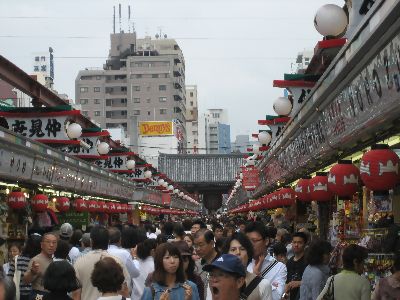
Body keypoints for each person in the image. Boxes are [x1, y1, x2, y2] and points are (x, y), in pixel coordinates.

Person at [73, 225, 131, 300]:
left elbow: (76, 293)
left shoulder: (79, 262)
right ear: (108, 241)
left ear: (91, 241)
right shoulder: (116, 261)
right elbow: (124, 289)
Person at [223, 232, 273, 300]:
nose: (238, 252)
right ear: (226, 255)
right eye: (233, 249)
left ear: (248, 253)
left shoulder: (263, 284)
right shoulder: (217, 282)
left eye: (242, 249)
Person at [245, 222, 287, 300]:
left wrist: (258, 279)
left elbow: (277, 297)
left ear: (266, 241)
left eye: (254, 241)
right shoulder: (243, 264)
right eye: (248, 241)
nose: (250, 245)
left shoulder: (279, 267)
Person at [23, 232, 58, 299]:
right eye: (48, 242)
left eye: (54, 242)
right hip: (39, 295)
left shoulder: (53, 260)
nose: (51, 245)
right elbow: (25, 281)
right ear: (42, 245)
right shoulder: (36, 260)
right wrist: (32, 272)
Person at [7, 233, 42, 300]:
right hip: (36, 295)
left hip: (19, 295)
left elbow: (9, 279)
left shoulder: (16, 259)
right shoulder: (39, 261)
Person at [194, 229, 219, 299]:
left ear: (211, 243)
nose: (197, 249)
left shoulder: (222, 263)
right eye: (195, 246)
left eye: (201, 245)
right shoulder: (195, 266)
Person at [284, 232, 308, 300]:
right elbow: (287, 282)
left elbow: (315, 281)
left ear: (305, 244)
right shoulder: (289, 262)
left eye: (299, 242)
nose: (296, 245)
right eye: (294, 242)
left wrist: (300, 283)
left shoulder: (308, 261)